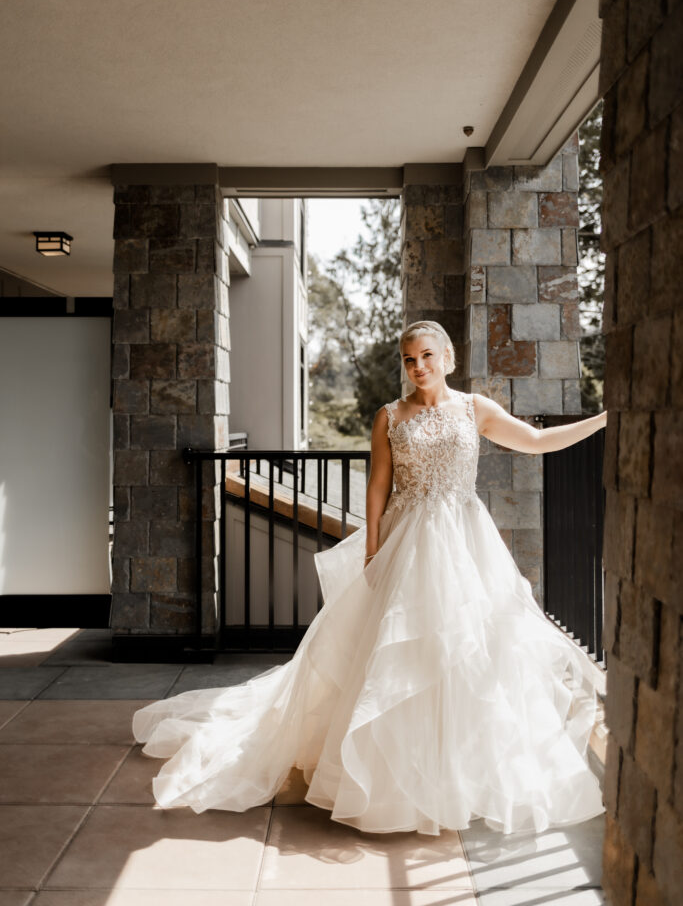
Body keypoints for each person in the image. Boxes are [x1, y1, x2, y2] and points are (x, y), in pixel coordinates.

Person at [132, 318, 607, 836]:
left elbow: (536, 440)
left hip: (464, 542)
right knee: (396, 652)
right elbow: (378, 486)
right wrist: (373, 551)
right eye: (409, 359)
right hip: (407, 544)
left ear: (447, 357)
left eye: (427, 356)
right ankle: (391, 779)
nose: (418, 367)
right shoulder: (390, 417)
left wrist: (601, 421)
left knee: (464, 651)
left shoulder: (475, 409)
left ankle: (455, 772)